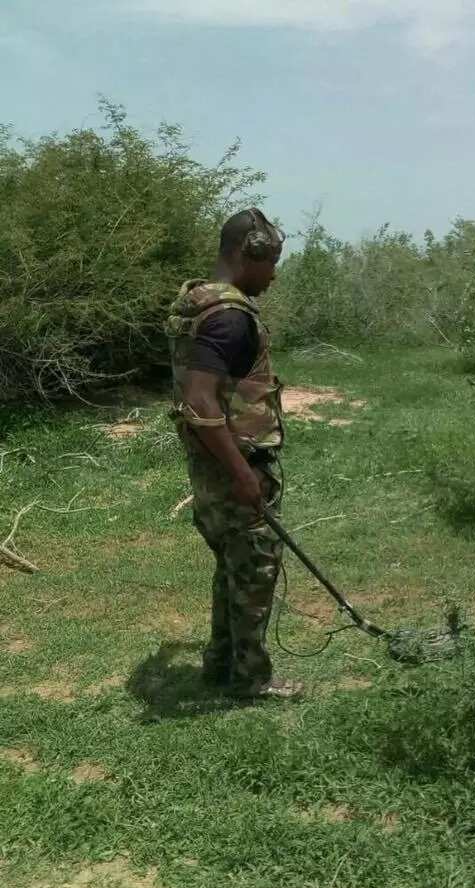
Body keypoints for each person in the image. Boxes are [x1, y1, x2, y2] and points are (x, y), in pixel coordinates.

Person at [165, 208, 303, 698]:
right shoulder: (229, 317)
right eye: (273, 261)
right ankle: (252, 680)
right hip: (235, 461)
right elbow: (199, 398)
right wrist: (243, 473)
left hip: (209, 463)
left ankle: (220, 661)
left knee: (232, 565)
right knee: (255, 568)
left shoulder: (196, 304)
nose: (274, 273)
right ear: (253, 252)